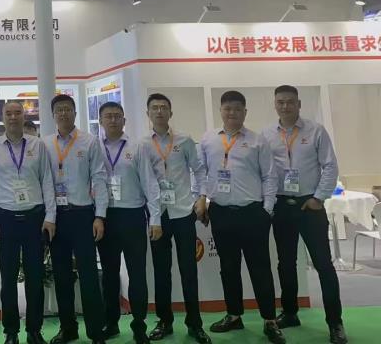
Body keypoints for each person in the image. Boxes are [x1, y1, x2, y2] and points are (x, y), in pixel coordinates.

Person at [198, 91, 284, 344]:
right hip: (221, 212)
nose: (232, 113)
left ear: (245, 112)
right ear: (221, 111)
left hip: (252, 213)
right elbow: (201, 172)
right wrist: (201, 198)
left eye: (237, 108)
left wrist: (266, 210)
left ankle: (269, 320)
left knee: (260, 269)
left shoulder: (257, 141)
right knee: (228, 268)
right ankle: (234, 315)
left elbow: (270, 176)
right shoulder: (209, 139)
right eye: (227, 108)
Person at [263, 85, 347, 344]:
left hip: (310, 206)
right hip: (281, 206)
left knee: (323, 264)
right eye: (280, 102)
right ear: (275, 104)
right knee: (286, 264)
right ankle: (290, 313)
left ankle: (335, 323)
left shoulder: (316, 131)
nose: (285, 106)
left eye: (290, 101)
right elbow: (264, 171)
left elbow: (330, 166)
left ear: (298, 104)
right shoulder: (267, 135)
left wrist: (318, 198)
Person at [0, 100, 57, 344]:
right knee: (8, 279)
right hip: (6, 219)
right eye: (9, 113)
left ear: (24, 117)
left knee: (35, 277)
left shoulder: (37, 145)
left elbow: (47, 180)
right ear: (2, 118)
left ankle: (34, 330)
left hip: (35, 218)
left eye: (17, 113)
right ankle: (11, 331)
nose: (13, 117)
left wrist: (50, 216)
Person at [142, 94, 210, 344]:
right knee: (161, 272)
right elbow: (145, 181)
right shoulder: (143, 145)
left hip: (183, 213)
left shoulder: (184, 140)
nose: (159, 111)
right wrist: (153, 216)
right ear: (148, 114)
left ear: (171, 113)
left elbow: (199, 170)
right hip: (158, 216)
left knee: (188, 271)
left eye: (164, 108)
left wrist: (201, 197)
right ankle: (165, 321)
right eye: (155, 108)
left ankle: (195, 323)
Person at [96, 101, 161, 344]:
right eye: (108, 116)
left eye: (117, 116)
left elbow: (149, 183)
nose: (113, 120)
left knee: (137, 274)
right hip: (105, 217)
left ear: (124, 120)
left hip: (132, 216)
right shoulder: (95, 147)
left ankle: (139, 325)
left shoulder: (137, 147)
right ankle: (111, 322)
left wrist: (155, 218)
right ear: (100, 121)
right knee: (109, 274)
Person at [44, 95, 107, 344]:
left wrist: (100, 215)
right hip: (56, 218)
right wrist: (48, 216)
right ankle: (68, 328)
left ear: (75, 113)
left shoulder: (89, 141)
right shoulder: (45, 144)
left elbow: (99, 178)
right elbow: (43, 181)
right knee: (61, 276)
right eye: (59, 110)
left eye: (68, 109)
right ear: (53, 115)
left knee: (89, 275)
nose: (63, 113)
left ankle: (95, 331)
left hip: (83, 215)